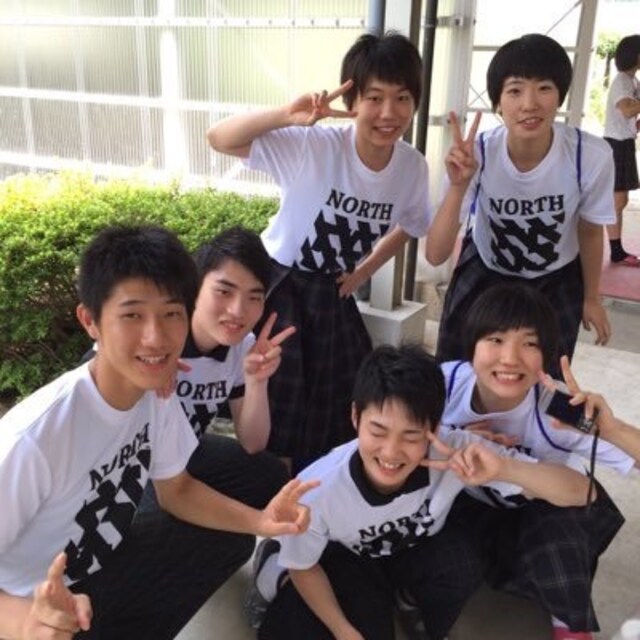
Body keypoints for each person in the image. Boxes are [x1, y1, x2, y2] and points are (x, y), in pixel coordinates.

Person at [0, 224, 316, 640]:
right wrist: (24, 622)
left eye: (171, 314)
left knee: (231, 542)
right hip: (34, 602)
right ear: (90, 321)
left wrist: (261, 520)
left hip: (99, 566)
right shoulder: (34, 439)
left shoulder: (156, 394)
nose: (155, 337)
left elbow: (178, 490)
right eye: (132, 315)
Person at [247, 344, 592, 640]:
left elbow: (582, 492)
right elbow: (305, 567)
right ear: (355, 417)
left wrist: (503, 468)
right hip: (343, 559)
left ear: (434, 428)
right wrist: (344, 631)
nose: (391, 452)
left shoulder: (455, 449)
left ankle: (414, 611)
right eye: (378, 431)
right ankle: (273, 570)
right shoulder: (317, 488)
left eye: (411, 436)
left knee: (460, 563)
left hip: (405, 552)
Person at [206, 31, 433, 471]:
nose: (389, 113)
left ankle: (320, 482)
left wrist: (364, 270)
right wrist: (285, 115)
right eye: (374, 98)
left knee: (342, 394)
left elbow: (414, 224)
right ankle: (274, 484)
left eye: (402, 98)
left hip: (332, 291)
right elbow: (219, 138)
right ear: (352, 102)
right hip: (280, 283)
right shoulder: (315, 146)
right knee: (279, 392)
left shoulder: (411, 167)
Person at [439, 282, 633, 640]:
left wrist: (613, 430)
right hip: (463, 505)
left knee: (562, 533)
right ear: (471, 346)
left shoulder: (558, 408)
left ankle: (568, 624)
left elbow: (585, 490)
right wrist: (453, 439)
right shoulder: (444, 384)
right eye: (495, 339)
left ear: (546, 356)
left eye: (529, 343)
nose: (510, 359)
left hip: (533, 511)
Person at [425, 33, 614, 374]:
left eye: (544, 88)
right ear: (497, 102)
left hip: (556, 277)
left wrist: (592, 298)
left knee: (545, 379)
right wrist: (458, 185)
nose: (530, 104)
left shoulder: (590, 156)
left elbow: (589, 231)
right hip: (486, 271)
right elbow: (435, 254)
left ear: (560, 95)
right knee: (457, 373)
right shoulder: (476, 154)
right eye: (515, 90)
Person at [142, 226, 293, 513]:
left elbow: (253, 444)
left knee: (271, 475)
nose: (237, 311)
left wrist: (256, 381)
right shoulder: (155, 336)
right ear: (194, 288)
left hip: (187, 451)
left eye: (254, 297)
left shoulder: (242, 346)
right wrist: (145, 374)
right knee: (165, 524)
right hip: (135, 464)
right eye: (224, 291)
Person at [603, 34, 640, 267]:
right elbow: (627, 110)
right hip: (616, 144)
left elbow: (630, 116)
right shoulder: (622, 81)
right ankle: (616, 251)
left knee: (620, 200)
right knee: (617, 200)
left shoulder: (632, 81)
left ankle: (617, 250)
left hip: (624, 142)